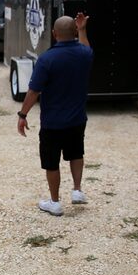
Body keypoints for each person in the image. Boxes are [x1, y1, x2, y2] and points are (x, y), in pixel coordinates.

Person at [17, 13, 92, 217]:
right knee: (76, 153)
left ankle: (55, 202)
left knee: (52, 162)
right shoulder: (85, 54)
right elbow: (85, 46)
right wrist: (82, 29)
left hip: (53, 122)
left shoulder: (47, 58)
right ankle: (77, 190)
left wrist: (23, 114)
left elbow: (34, 91)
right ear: (74, 32)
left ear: (54, 34)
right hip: (77, 120)